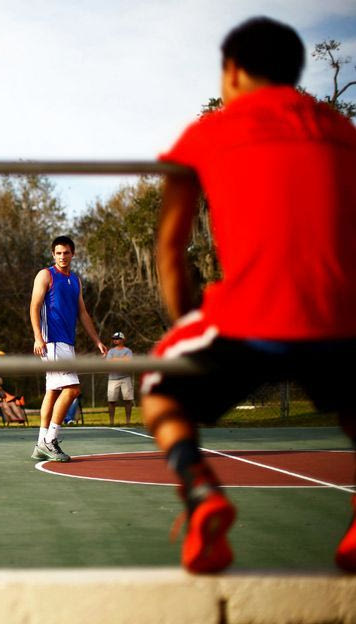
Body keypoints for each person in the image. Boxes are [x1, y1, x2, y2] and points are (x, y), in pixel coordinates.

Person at [142, 16, 356, 574]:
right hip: (340, 320)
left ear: (232, 71)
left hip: (248, 318)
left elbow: (170, 250)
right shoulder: (341, 129)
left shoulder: (210, 131)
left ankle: (199, 492)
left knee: (158, 385)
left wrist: (187, 322)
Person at [30, 236, 107, 461]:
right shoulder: (46, 275)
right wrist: (38, 337)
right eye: (58, 253)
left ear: (73, 254)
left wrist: (97, 340)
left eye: (66, 253)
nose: (62, 256)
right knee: (73, 389)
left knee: (53, 391)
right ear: (53, 255)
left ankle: (40, 442)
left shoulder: (75, 280)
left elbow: (82, 312)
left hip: (66, 343)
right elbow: (34, 306)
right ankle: (50, 440)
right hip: (52, 342)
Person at [105, 331, 134, 426]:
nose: (115, 340)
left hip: (125, 378)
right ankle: (111, 422)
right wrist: (122, 360)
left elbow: (129, 362)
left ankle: (128, 422)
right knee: (111, 401)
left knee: (128, 400)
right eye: (114, 339)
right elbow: (109, 362)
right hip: (113, 378)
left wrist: (115, 359)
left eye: (117, 338)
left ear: (122, 339)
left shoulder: (128, 351)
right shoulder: (111, 351)